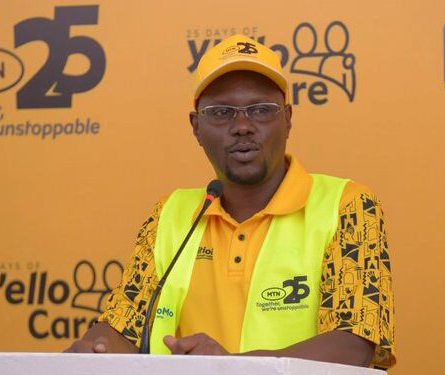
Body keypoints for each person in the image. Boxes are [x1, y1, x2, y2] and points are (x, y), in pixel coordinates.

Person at [65, 34, 395, 369]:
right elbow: (123, 326)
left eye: (262, 110)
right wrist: (94, 346)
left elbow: (354, 345)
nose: (242, 126)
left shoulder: (347, 206)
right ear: (196, 127)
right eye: (221, 112)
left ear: (288, 119)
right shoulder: (170, 214)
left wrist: (230, 366)